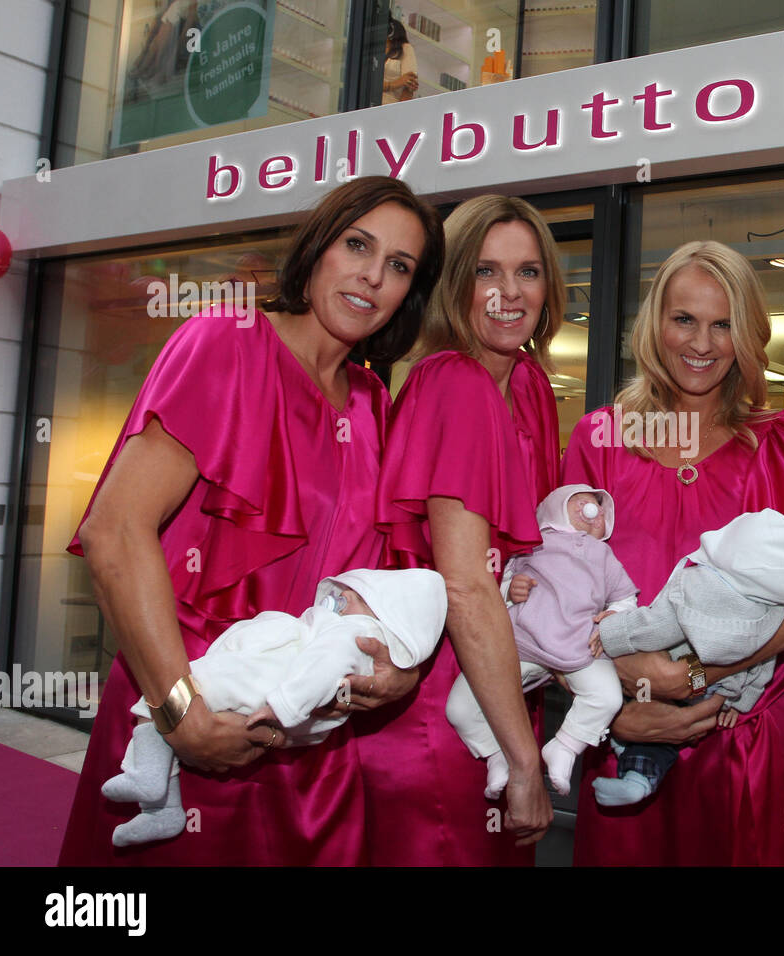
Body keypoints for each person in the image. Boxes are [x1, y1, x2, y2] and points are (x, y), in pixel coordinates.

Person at [59, 175, 444, 865]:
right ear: (318, 246)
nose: (371, 277)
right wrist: (182, 715)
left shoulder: (371, 406)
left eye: (398, 266)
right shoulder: (227, 342)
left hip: (307, 737)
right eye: (357, 245)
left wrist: (396, 671)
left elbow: (370, 585)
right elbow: (113, 532)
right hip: (190, 707)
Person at [562, 240, 784, 866]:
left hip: (747, 750)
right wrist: (613, 710)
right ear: (655, 324)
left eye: (723, 325)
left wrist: (687, 680)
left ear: (747, 338)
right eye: (685, 319)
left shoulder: (780, 441)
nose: (703, 344)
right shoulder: (600, 438)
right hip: (625, 736)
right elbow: (560, 597)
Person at [355, 194, 564, 864]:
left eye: (528, 272)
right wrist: (524, 761)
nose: (509, 293)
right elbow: (467, 587)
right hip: (440, 709)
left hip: (497, 685)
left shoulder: (527, 382)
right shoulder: (457, 382)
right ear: (453, 285)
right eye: (485, 271)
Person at [103, 568, 446, 846]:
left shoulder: (358, 631)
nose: (339, 599)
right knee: (181, 715)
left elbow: (324, 665)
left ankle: (149, 783)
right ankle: (162, 810)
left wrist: (283, 707)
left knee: (172, 697)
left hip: (272, 686)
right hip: (287, 699)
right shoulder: (350, 631)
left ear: (383, 609)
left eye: (352, 595)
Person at [592, 509, 784, 807]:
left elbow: (653, 627)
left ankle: (630, 766)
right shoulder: (771, 613)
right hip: (716, 693)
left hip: (669, 676)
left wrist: (608, 633)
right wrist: (740, 702)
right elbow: (764, 663)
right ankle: (638, 772)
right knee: (666, 730)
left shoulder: (699, 588)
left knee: (637, 712)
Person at [445, 485, 636, 799]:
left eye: (602, 512)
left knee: (607, 697)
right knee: (460, 708)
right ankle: (496, 754)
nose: (595, 512)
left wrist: (613, 616)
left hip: (580, 646)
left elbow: (627, 597)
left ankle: (565, 746)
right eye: (586, 503)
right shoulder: (535, 544)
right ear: (556, 508)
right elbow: (502, 583)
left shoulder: (604, 555)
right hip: (522, 644)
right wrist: (511, 590)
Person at [382, 18, 419, 104]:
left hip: (390, 107)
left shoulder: (405, 49)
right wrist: (393, 84)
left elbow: (409, 87)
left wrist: (399, 113)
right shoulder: (373, 51)